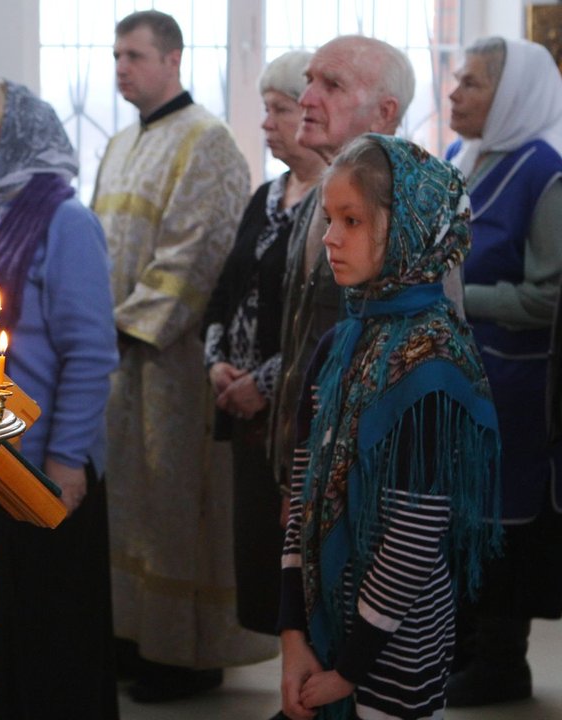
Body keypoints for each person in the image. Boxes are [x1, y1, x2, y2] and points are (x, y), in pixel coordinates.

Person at [279, 134, 501, 720]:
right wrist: (292, 635)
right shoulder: (340, 341)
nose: (328, 237)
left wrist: (349, 670)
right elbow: (304, 495)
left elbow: (412, 533)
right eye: (329, 218)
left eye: (351, 220)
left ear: (407, 228)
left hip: (391, 656)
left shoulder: (431, 363)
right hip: (321, 624)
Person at [91, 10, 274, 703]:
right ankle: (136, 641)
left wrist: (126, 326)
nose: (120, 68)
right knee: (129, 507)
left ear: (172, 60)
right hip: (116, 357)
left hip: (172, 362)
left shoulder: (207, 142)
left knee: (173, 506)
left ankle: (185, 656)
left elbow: (196, 258)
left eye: (134, 55)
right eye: (115, 55)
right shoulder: (118, 144)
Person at [0, 76, 120, 720]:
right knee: (12, 632)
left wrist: (67, 460)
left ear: (14, 131)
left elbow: (89, 353)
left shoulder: (65, 219)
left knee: (58, 629)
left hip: (50, 460)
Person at [443, 37, 562, 707]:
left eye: (473, 83)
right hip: (463, 378)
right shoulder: (463, 161)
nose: (455, 93)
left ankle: (500, 663)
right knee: (459, 518)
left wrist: (462, 299)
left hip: (514, 389)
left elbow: (551, 297)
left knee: (504, 527)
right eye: (457, 81)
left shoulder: (546, 176)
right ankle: (459, 650)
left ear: (514, 95)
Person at [202, 50, 324, 640]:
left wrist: (265, 383)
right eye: (266, 109)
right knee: (259, 552)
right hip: (242, 405)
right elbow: (227, 286)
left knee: (301, 561)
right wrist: (217, 362)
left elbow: (323, 320)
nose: (267, 123)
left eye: (279, 109)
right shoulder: (268, 194)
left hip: (294, 408)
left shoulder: (336, 200)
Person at [269, 35, 418, 513]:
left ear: (383, 112)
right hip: (302, 473)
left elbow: (416, 364)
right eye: (309, 81)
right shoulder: (323, 193)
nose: (307, 98)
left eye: (330, 84)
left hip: (360, 497)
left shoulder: (409, 211)